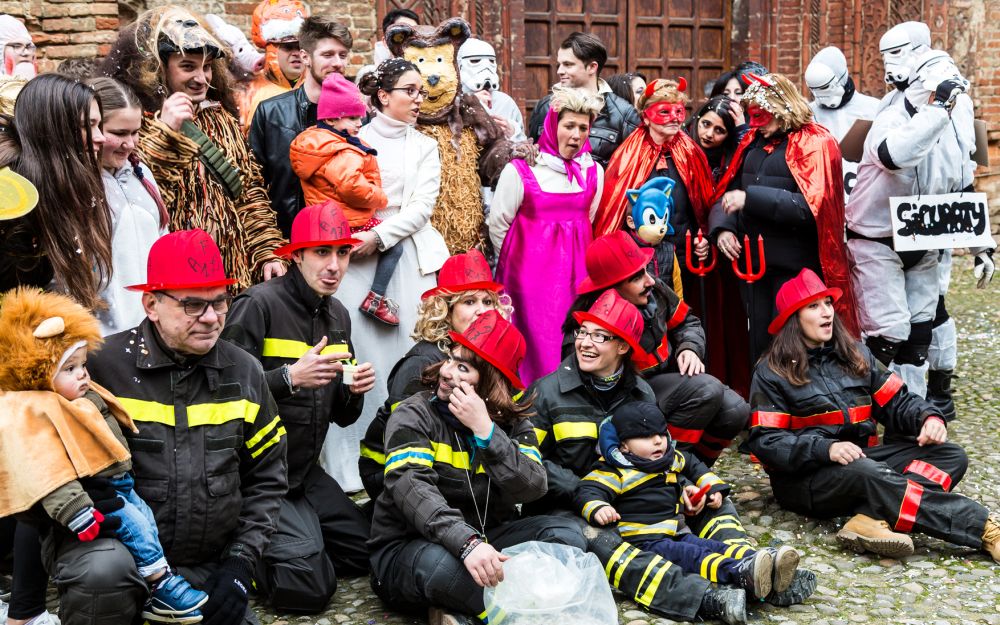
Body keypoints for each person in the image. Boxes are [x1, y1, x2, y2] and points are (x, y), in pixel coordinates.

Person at [533, 289, 808, 623]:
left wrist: (684, 490)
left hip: (640, 499)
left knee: (715, 502)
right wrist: (583, 493)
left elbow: (661, 454)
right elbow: (529, 463)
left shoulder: (641, 392)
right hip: (584, 505)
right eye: (583, 333)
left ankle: (755, 568)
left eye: (599, 336)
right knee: (604, 544)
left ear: (623, 347)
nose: (585, 343)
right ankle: (707, 598)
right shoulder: (545, 393)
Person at [69, 229, 288, 625]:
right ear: (151, 304)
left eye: (220, 302)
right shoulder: (103, 367)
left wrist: (240, 564)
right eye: (192, 305)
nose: (211, 318)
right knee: (102, 572)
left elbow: (268, 479)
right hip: (122, 560)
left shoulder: (245, 372)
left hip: (205, 564)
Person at [748, 268, 1000, 563]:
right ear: (794, 318)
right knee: (871, 473)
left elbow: (899, 401)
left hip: (862, 465)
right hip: (805, 482)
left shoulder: (856, 354)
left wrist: (929, 417)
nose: (826, 312)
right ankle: (985, 530)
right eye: (814, 306)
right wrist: (825, 449)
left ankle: (869, 519)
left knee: (951, 455)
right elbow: (766, 442)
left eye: (828, 303)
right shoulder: (771, 371)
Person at [0, 288, 209, 624]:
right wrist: (78, 511)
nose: (83, 373)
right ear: (40, 377)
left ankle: (157, 578)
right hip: (93, 496)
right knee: (136, 529)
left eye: (82, 365)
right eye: (69, 369)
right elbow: (47, 473)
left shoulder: (81, 395)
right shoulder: (40, 413)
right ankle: (162, 584)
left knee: (145, 523)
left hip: (119, 483)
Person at [368, 310, 589, 624]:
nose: (446, 372)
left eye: (463, 368)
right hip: (412, 547)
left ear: (490, 385)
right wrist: (467, 543)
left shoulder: (513, 424)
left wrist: (487, 432)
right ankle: (519, 614)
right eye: (450, 359)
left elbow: (533, 486)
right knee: (443, 569)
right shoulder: (413, 413)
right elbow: (410, 487)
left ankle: (461, 613)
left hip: (488, 539)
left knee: (568, 536)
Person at [222, 202, 375, 612]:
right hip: (257, 478)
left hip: (305, 473)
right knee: (309, 588)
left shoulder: (338, 314)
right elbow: (221, 396)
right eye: (321, 252)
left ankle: (301, 541)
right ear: (296, 256)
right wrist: (288, 379)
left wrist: (354, 391)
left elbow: (344, 416)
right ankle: (247, 551)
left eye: (342, 253)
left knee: (368, 553)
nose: (334, 265)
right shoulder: (258, 304)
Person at [0, 72, 113, 625]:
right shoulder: (13, 198)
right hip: (16, 366)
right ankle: (20, 612)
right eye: (87, 126)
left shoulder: (59, 187)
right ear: (55, 129)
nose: (99, 137)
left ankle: (20, 607)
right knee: (42, 469)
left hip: (36, 360)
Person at [323, 57, 449, 491]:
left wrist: (379, 238)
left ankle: (407, 452)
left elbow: (421, 208)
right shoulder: (354, 136)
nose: (420, 98)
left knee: (407, 355)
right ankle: (348, 462)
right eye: (410, 91)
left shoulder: (425, 146)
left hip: (405, 259)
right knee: (361, 356)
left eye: (421, 91)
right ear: (382, 96)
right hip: (357, 265)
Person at [846, 34, 993, 396]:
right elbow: (895, 154)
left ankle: (912, 412)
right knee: (887, 332)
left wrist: (980, 246)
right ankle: (861, 405)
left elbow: (960, 183)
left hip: (924, 235)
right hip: (876, 235)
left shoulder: (953, 124)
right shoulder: (892, 115)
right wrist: (937, 110)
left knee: (920, 330)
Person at [102, 6, 285, 290]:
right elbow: (141, 199)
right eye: (188, 66)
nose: (202, 78)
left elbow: (247, 192)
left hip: (234, 279)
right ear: (158, 67)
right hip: (174, 282)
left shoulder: (220, 118)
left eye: (207, 66)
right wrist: (166, 132)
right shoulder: (135, 126)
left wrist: (266, 250)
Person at [575, 403, 805, 610]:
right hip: (646, 543)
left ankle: (765, 563)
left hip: (675, 533)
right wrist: (598, 508)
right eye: (645, 437)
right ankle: (741, 573)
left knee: (712, 546)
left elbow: (695, 466)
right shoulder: (615, 471)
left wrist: (712, 488)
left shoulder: (669, 459)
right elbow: (587, 490)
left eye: (660, 434)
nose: (657, 441)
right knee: (697, 557)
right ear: (624, 446)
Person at [562, 232, 749, 467]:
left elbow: (687, 323)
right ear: (612, 288)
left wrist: (689, 348)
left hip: (662, 384)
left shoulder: (655, 291)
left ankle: (693, 470)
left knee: (735, 410)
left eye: (645, 269)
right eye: (637, 276)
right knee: (706, 390)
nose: (649, 280)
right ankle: (664, 470)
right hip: (622, 402)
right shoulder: (588, 324)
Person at [711, 72, 859, 362]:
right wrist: (724, 229)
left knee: (793, 347)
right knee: (758, 344)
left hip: (795, 268)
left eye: (761, 116)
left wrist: (750, 199)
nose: (755, 125)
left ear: (781, 107)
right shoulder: (752, 143)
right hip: (753, 267)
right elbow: (728, 191)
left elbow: (812, 207)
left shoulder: (815, 143)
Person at [358, 249, 510, 499]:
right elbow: (404, 438)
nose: (482, 311)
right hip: (393, 472)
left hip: (456, 471)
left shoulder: (489, 357)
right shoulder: (422, 362)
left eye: (488, 301)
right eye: (469, 302)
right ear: (445, 310)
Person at [489, 85, 604, 384]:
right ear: (553, 126)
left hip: (576, 277)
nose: (576, 135)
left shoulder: (593, 172)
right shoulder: (521, 171)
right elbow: (499, 224)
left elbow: (588, 218)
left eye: (583, 127)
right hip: (528, 279)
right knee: (534, 346)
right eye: (569, 126)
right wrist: (520, 267)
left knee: (571, 339)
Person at [290, 74, 404, 325]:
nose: (358, 122)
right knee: (394, 245)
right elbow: (352, 186)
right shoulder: (342, 150)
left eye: (360, 116)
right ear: (331, 118)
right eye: (352, 117)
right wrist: (380, 198)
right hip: (348, 221)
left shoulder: (317, 144)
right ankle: (376, 298)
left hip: (327, 219)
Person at [593, 78, 715, 297]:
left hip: (683, 256)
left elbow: (705, 205)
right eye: (664, 112)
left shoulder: (691, 152)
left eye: (679, 111)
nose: (674, 118)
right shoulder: (629, 154)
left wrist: (704, 236)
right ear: (646, 116)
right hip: (640, 259)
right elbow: (614, 211)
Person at [250, 16, 354, 236]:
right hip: (285, 241)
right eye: (327, 55)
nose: (337, 63)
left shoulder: (358, 116)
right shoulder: (271, 113)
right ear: (305, 57)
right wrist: (267, 244)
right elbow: (253, 185)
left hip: (342, 242)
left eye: (342, 55)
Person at [88, 77, 170, 336]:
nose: (130, 143)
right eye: (119, 133)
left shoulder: (141, 173)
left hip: (151, 326)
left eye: (135, 132)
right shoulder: (77, 184)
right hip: (100, 333)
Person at [685, 95, 752, 397]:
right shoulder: (683, 152)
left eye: (718, 130)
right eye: (706, 124)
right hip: (690, 253)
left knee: (727, 321)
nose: (708, 133)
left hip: (722, 256)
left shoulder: (731, 162)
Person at [527, 32, 641, 168]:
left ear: (592, 67)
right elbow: (532, 160)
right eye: (560, 64)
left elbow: (632, 170)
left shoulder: (623, 114)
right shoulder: (545, 107)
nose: (559, 71)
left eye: (568, 64)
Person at [804, 46, 880, 202]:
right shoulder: (808, 114)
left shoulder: (874, 108)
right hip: (824, 196)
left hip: (866, 195)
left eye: (824, 87)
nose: (821, 96)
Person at [244, 0, 310, 126]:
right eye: (288, 47)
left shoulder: (317, 89)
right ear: (273, 51)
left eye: (300, 47)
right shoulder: (253, 92)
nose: (297, 53)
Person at [457, 38, 526, 142]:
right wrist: (468, 104)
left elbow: (523, 144)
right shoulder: (451, 101)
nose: (485, 68)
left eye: (491, 61)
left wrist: (513, 131)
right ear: (459, 65)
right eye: (475, 61)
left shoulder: (505, 102)